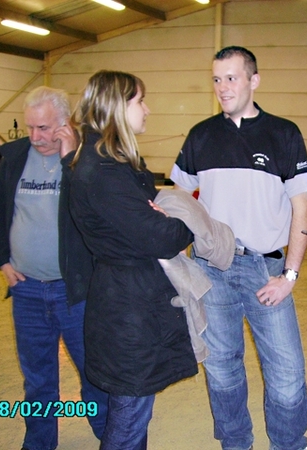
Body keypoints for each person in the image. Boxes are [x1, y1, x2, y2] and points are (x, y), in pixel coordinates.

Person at [171, 46, 307, 450]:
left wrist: (289, 275)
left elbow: (303, 206)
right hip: (211, 269)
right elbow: (178, 200)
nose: (223, 87)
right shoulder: (201, 135)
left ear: (254, 80)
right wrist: (179, 263)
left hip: (265, 270)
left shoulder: (284, 134)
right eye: (217, 79)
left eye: (231, 78)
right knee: (221, 367)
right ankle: (236, 444)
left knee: (286, 371)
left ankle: (289, 443)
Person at [65, 70, 198, 449]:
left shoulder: (112, 164)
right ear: (117, 107)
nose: (147, 109)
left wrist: (161, 218)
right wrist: (183, 222)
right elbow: (161, 236)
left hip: (128, 298)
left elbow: (145, 224)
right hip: (128, 308)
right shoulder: (104, 172)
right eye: (140, 101)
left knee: (134, 413)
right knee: (129, 418)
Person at [0, 86, 108, 450]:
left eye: (44, 128)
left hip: (76, 292)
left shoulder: (88, 158)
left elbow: (101, 210)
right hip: (27, 290)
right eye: (30, 127)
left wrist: (72, 159)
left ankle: (113, 439)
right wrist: (2, 259)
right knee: (37, 380)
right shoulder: (14, 159)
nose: (35, 137)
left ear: (66, 123)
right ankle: (39, 443)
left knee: (95, 375)